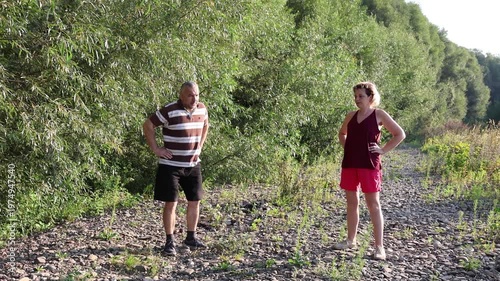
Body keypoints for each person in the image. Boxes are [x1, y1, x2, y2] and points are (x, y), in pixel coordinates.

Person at [333, 81, 405, 260]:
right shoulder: (350, 115)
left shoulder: (379, 114)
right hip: (350, 163)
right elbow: (342, 134)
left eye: (361, 96)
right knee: (351, 203)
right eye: (356, 96)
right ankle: (351, 240)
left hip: (369, 165)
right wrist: (347, 147)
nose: (357, 99)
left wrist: (383, 150)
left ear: (371, 97)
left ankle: (379, 247)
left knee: (373, 205)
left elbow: (400, 134)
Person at [143, 81, 209, 256]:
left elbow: (205, 125)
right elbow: (148, 125)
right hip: (171, 165)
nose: (194, 98)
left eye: (196, 94)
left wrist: (199, 147)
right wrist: (156, 149)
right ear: (181, 95)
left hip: (193, 164)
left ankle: (191, 237)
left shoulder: (202, 108)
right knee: (171, 203)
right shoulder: (169, 110)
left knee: (195, 201)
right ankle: (169, 241)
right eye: (190, 95)